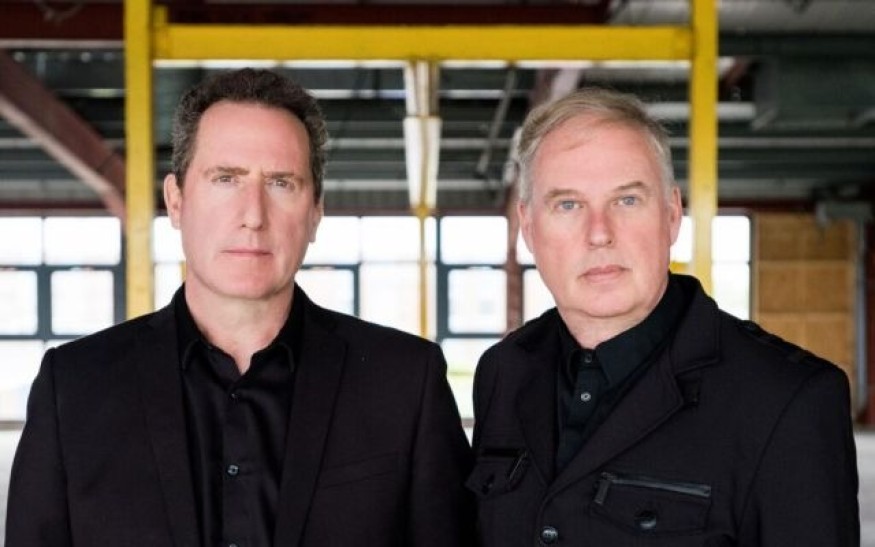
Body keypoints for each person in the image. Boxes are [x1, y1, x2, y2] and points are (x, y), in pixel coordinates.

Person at [6, 68, 474, 547]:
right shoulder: (75, 388)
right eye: (226, 179)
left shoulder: (404, 383)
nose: (253, 215)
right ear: (176, 201)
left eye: (281, 183)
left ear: (315, 212)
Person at [466, 88, 859, 546]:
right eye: (568, 205)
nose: (599, 233)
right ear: (529, 228)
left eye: (627, 200)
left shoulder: (788, 400)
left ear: (672, 215)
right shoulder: (503, 372)